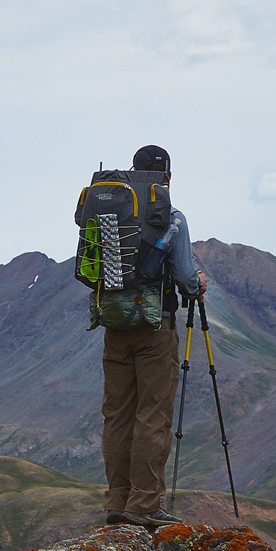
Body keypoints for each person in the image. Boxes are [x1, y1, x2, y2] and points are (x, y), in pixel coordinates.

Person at [100, 144, 207, 529]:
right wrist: (199, 284)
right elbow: (186, 279)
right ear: (168, 177)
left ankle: (117, 500)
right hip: (153, 326)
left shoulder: (111, 213)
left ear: (132, 172)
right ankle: (144, 505)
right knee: (152, 415)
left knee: (117, 414)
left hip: (114, 326)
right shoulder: (172, 217)